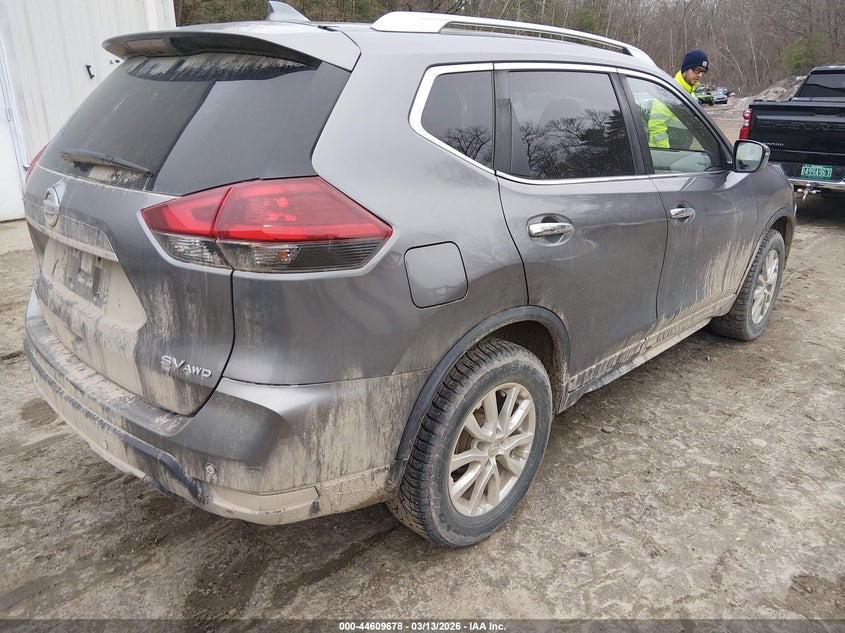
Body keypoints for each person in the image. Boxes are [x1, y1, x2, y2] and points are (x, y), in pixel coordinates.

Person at [648, 49, 709, 148]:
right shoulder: (669, 92)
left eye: (703, 72)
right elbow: (656, 126)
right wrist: (666, 153)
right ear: (686, 68)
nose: (700, 75)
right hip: (665, 153)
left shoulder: (690, 93)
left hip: (679, 152)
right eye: (697, 70)